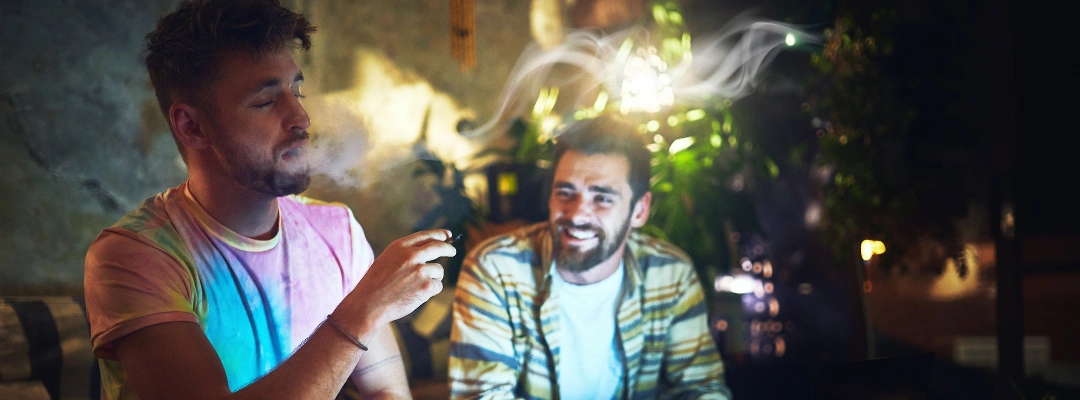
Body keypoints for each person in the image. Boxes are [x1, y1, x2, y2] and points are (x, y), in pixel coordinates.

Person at [83, 1, 455, 399]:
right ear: (192, 126)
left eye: (297, 91)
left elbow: (386, 390)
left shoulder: (338, 231)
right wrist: (363, 310)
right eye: (265, 102)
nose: (301, 118)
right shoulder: (134, 257)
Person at [449, 114, 733, 399]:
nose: (576, 215)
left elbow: (701, 388)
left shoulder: (670, 273)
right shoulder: (495, 269)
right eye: (565, 193)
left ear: (639, 210)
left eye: (602, 198)